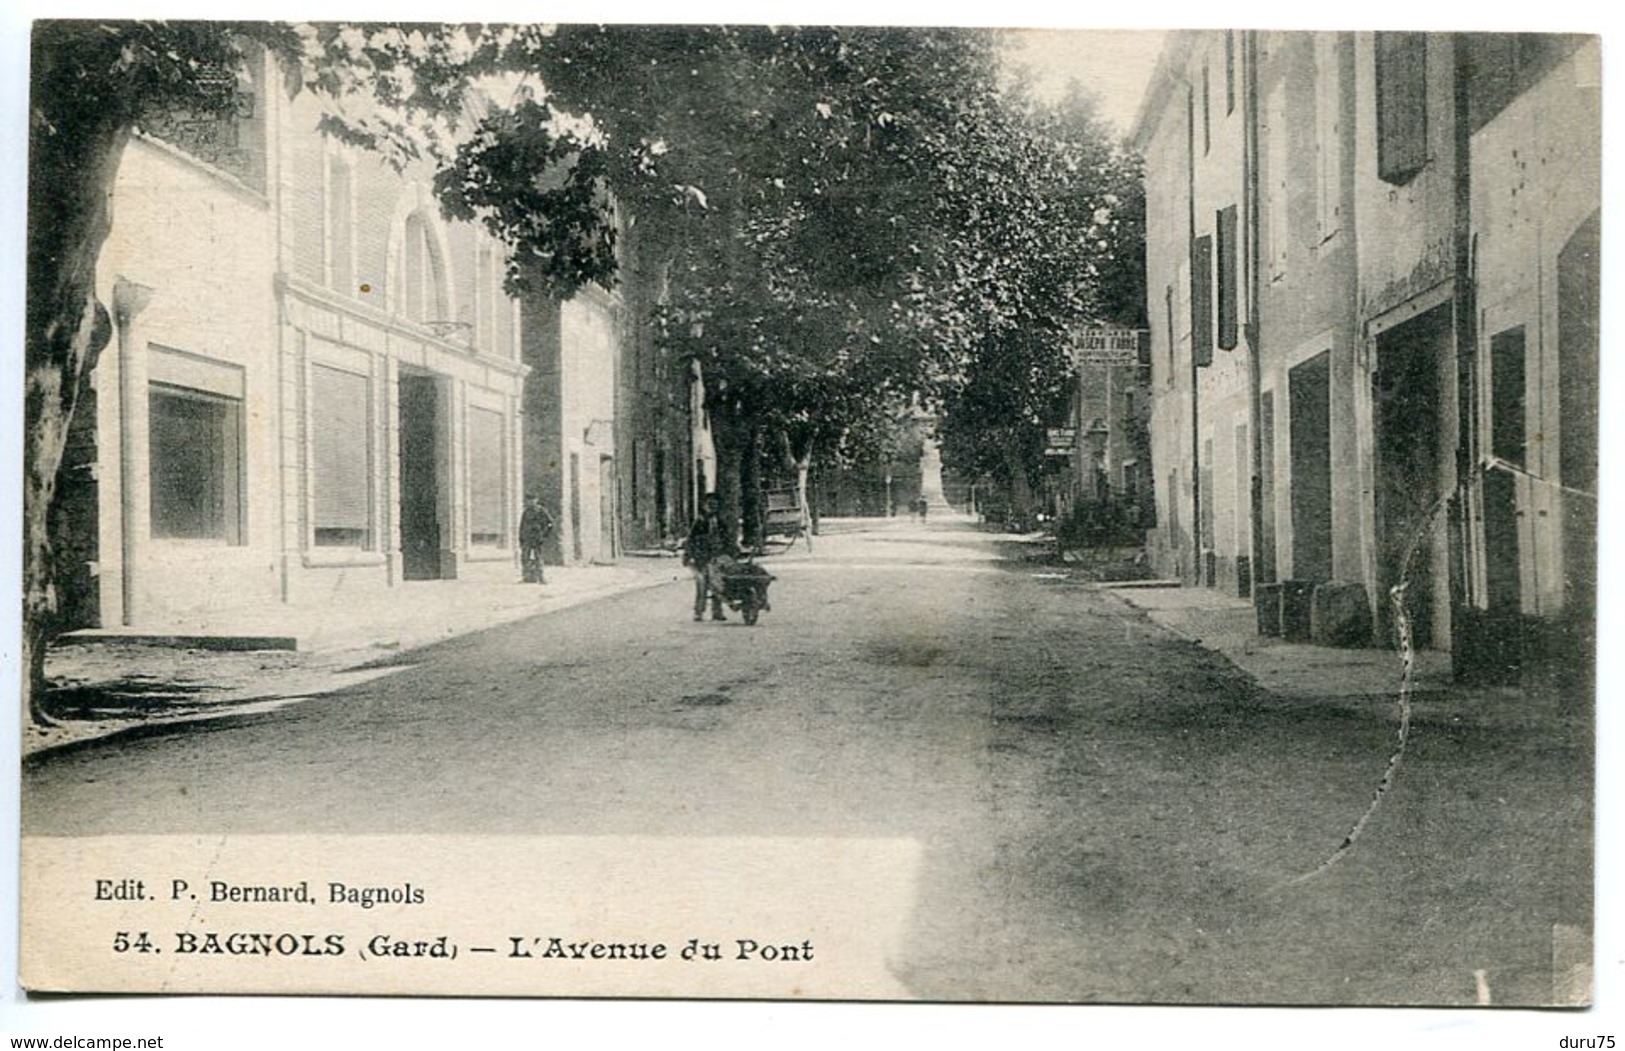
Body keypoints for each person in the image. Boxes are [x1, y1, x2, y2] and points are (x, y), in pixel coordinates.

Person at [683, 492, 734, 622]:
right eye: (710, 504)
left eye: (715, 505)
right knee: (702, 583)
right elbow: (691, 540)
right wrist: (688, 555)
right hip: (702, 558)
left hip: (717, 556)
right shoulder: (699, 522)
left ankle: (717, 611)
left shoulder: (720, 521)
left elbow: (727, 538)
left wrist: (731, 551)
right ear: (704, 506)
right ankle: (698, 611)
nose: (713, 507)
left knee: (718, 583)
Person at [518, 494, 555, 584]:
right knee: (525, 558)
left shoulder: (541, 510)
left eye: (532, 500)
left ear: (536, 500)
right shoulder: (526, 511)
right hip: (527, 538)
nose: (530, 502)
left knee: (538, 558)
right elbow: (522, 526)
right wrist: (521, 538)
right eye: (528, 500)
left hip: (537, 538)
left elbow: (550, 523)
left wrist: (545, 535)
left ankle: (541, 578)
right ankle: (527, 577)